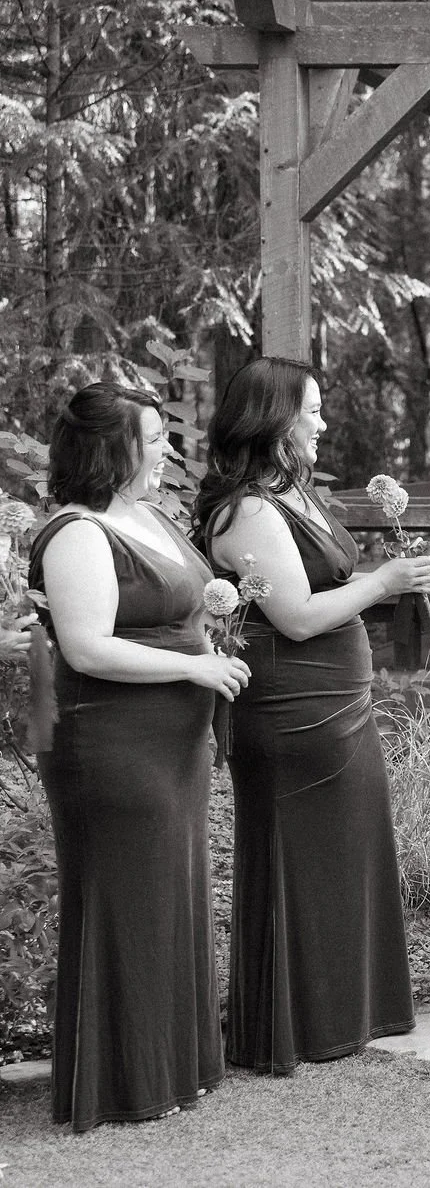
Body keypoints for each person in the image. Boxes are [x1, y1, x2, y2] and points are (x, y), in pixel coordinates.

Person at [194, 357, 430, 1072]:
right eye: (311, 410)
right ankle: (294, 1024)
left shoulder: (297, 494)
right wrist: (387, 580)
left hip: (338, 705)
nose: (322, 422)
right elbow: (300, 615)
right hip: (291, 713)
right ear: (274, 420)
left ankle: (347, 1011)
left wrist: (402, 576)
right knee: (300, 861)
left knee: (345, 855)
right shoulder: (247, 509)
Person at [29, 382, 249, 1130]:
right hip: (111, 742)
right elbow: (88, 647)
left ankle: (175, 1067)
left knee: (171, 895)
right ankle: (125, 1080)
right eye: (153, 438)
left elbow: (176, 607)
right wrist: (192, 667)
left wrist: (211, 640)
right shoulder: (77, 532)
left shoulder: (150, 516)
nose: (166, 451)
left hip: (174, 742)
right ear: (109, 447)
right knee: (130, 900)